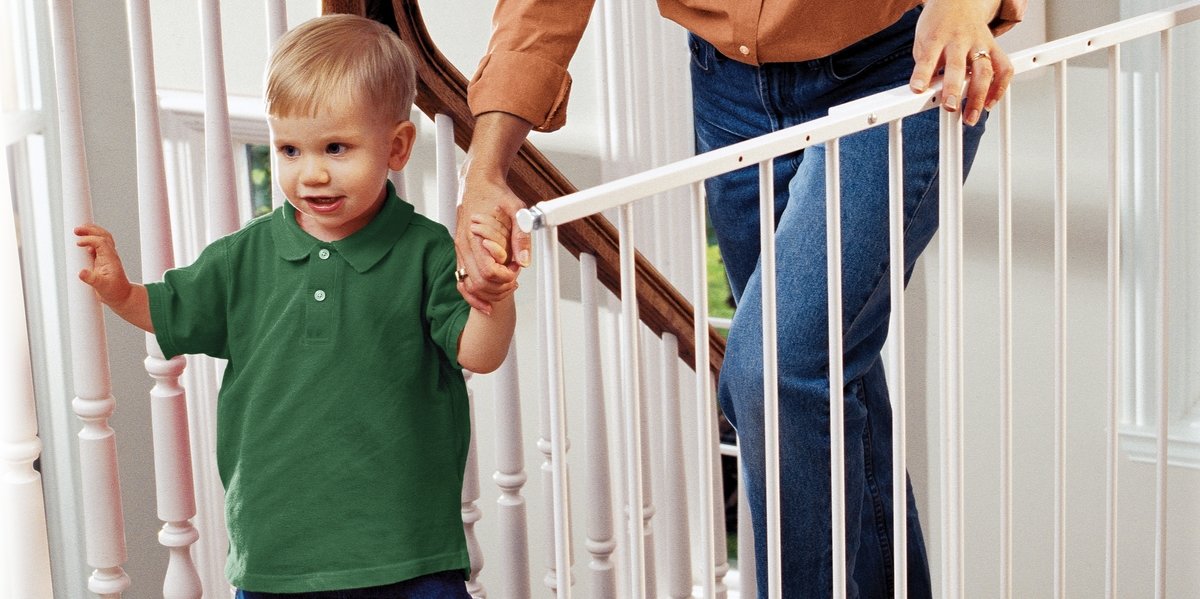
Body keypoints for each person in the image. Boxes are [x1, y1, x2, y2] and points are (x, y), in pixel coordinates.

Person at [456, 0, 1027, 597]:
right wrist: (486, 169)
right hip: (727, 88)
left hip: (897, 72)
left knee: (774, 373)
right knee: (828, 379)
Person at [75, 14, 515, 598]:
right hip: (276, 554)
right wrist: (121, 292)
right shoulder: (243, 256)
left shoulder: (427, 252)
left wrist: (493, 298)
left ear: (398, 146)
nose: (311, 173)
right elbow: (169, 312)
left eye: (336, 147)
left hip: (408, 552)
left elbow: (480, 356)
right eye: (289, 149)